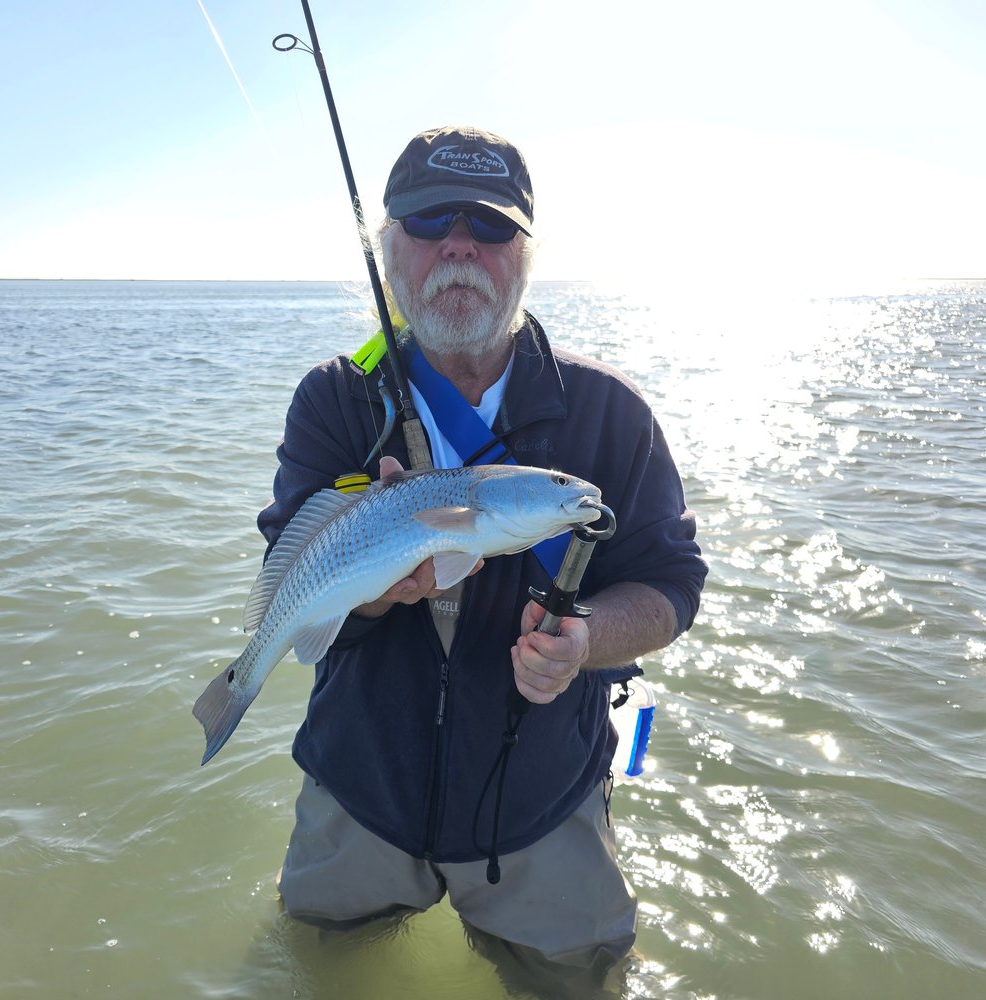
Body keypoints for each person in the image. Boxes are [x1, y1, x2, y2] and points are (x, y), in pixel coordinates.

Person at [259, 125, 707, 969]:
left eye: (491, 226)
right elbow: (289, 564)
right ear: (386, 246)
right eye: (429, 224)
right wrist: (371, 588)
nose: (459, 247)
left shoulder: (609, 412)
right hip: (359, 791)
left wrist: (584, 644)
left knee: (575, 984)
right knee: (317, 969)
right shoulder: (334, 398)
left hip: (541, 806)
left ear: (527, 253)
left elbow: (669, 586)